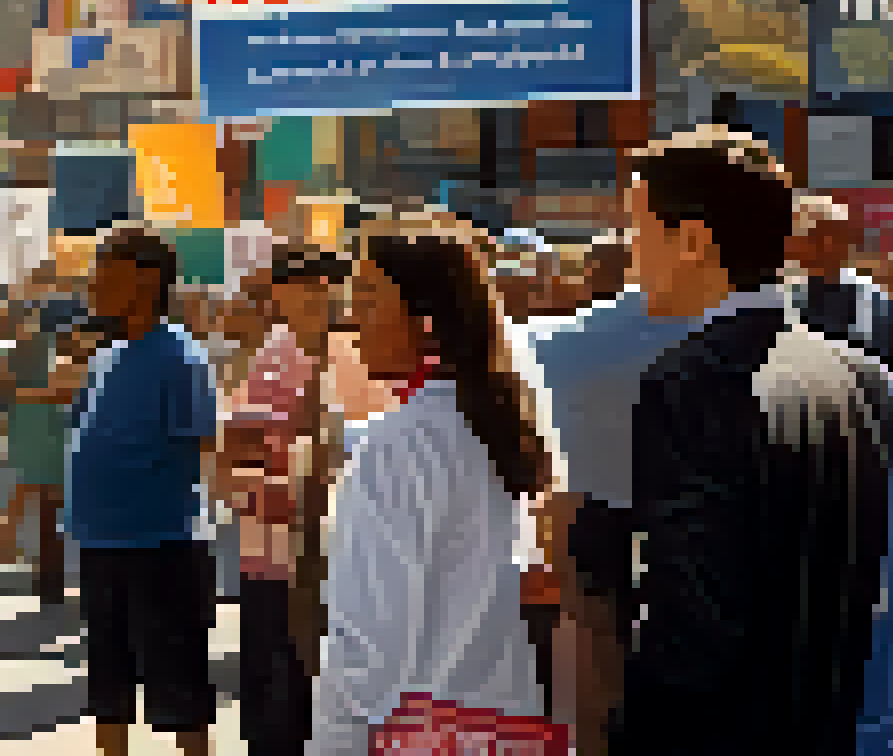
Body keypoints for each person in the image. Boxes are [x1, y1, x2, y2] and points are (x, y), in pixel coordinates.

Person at [613, 129, 893, 755]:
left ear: (692, 241)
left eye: (636, 232)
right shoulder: (856, 376)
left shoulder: (690, 382)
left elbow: (690, 620)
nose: (629, 257)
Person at [310, 228, 553, 755]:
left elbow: (367, 635)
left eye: (369, 300)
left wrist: (334, 741)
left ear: (425, 322)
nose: (353, 324)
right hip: (506, 727)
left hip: (417, 731)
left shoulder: (397, 443)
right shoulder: (495, 428)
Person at [518, 230, 702, 755]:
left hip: (590, 512)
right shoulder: (695, 332)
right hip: (673, 513)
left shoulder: (559, 340)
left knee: (594, 648)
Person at [69, 229, 219, 756]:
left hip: (162, 547)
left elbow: (203, 449)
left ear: (146, 279)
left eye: (106, 271)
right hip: (102, 546)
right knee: (108, 691)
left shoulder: (180, 358)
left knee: (181, 694)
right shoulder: (106, 356)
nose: (93, 284)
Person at [226, 246, 347, 756]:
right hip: (275, 557)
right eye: (309, 289)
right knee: (276, 703)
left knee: (317, 699)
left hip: (328, 559)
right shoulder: (268, 364)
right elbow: (234, 469)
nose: (322, 299)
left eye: (327, 289)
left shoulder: (349, 360)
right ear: (282, 296)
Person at [0, 269, 81, 604]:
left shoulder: (41, 344)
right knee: (49, 511)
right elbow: (61, 388)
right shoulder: (41, 346)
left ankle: (48, 579)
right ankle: (48, 580)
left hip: (46, 433)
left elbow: (9, 386)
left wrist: (27, 396)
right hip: (45, 434)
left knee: (48, 511)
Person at [790, 195, 893, 370]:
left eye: (834, 235)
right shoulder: (781, 304)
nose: (828, 245)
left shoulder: (882, 309)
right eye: (816, 235)